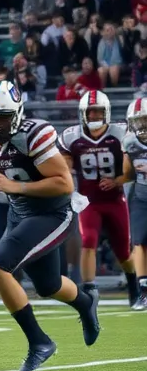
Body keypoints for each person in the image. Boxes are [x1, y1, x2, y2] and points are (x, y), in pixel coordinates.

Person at [0, 80, 99, 371]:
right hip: (19, 213)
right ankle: (86, 303)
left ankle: (39, 342)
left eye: (3, 116)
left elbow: (63, 182)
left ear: (17, 113)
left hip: (54, 213)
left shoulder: (34, 134)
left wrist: (14, 185)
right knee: (49, 286)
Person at [58, 91, 135, 305]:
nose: (93, 116)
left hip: (115, 200)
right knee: (88, 241)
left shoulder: (120, 133)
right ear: (82, 113)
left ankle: (133, 284)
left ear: (107, 112)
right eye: (89, 112)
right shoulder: (71, 137)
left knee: (123, 252)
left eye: (98, 111)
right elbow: (64, 170)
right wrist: (70, 190)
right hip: (88, 201)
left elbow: (131, 170)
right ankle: (90, 291)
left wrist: (117, 180)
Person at [121, 98, 147, 309]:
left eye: (145, 120)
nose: (141, 126)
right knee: (138, 241)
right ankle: (143, 290)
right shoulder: (130, 141)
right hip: (141, 193)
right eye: (137, 122)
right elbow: (128, 173)